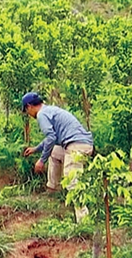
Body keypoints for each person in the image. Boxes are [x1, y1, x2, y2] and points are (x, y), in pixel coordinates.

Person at [21, 92, 93, 221]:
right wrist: (36, 149)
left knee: (72, 182)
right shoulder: (50, 110)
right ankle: (54, 191)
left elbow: (51, 138)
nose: (28, 114)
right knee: (54, 152)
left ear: (29, 106)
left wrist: (41, 160)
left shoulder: (41, 115)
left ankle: (84, 219)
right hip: (80, 143)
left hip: (76, 146)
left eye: (26, 111)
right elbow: (52, 138)